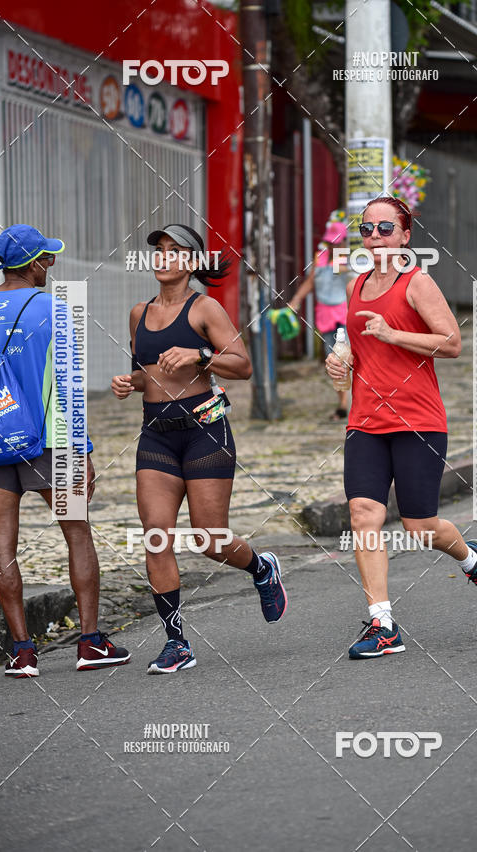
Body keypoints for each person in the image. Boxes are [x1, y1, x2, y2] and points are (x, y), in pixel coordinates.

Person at [325, 197, 477, 659]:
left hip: (417, 419)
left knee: (420, 525)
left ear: (406, 236)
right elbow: (353, 343)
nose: (375, 237)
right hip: (365, 420)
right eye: (366, 230)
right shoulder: (357, 285)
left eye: (386, 228)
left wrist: (393, 334)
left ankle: (472, 561)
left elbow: (452, 343)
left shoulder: (417, 283)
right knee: (364, 514)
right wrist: (340, 360)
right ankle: (383, 624)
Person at [111, 224, 287, 674]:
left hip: (204, 431)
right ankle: (177, 643)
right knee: (156, 534)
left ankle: (261, 569)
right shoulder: (138, 313)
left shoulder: (204, 307)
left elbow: (242, 366)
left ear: (192, 262)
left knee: (210, 539)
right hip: (156, 435)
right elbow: (147, 373)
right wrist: (127, 384)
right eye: (159, 251)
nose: (163, 257)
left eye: (174, 251)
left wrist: (199, 356)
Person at [0, 224, 130, 677]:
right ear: (30, 264)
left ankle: (22, 652)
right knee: (77, 532)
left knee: (2, 541)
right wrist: (81, 450)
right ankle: (89, 643)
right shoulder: (54, 309)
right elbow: (67, 387)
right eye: (46, 259)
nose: (52, 265)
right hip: (49, 440)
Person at [289, 210, 353, 420]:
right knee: (333, 360)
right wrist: (296, 300)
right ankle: (343, 401)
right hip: (324, 315)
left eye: (338, 242)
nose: (334, 246)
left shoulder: (349, 260)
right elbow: (310, 282)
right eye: (331, 243)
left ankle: (347, 404)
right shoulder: (320, 258)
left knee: (342, 357)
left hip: (343, 315)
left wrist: (344, 264)